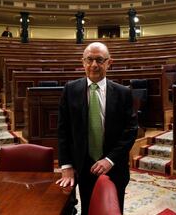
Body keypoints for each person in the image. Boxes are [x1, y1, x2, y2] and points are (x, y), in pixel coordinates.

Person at [56, 42, 138, 215]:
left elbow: (130, 130)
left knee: (113, 209)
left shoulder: (123, 92)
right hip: (83, 165)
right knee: (87, 208)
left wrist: (110, 159)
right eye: (89, 60)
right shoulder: (70, 90)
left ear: (109, 63)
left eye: (100, 60)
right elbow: (63, 130)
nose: (94, 65)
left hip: (114, 166)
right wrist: (66, 166)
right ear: (83, 62)